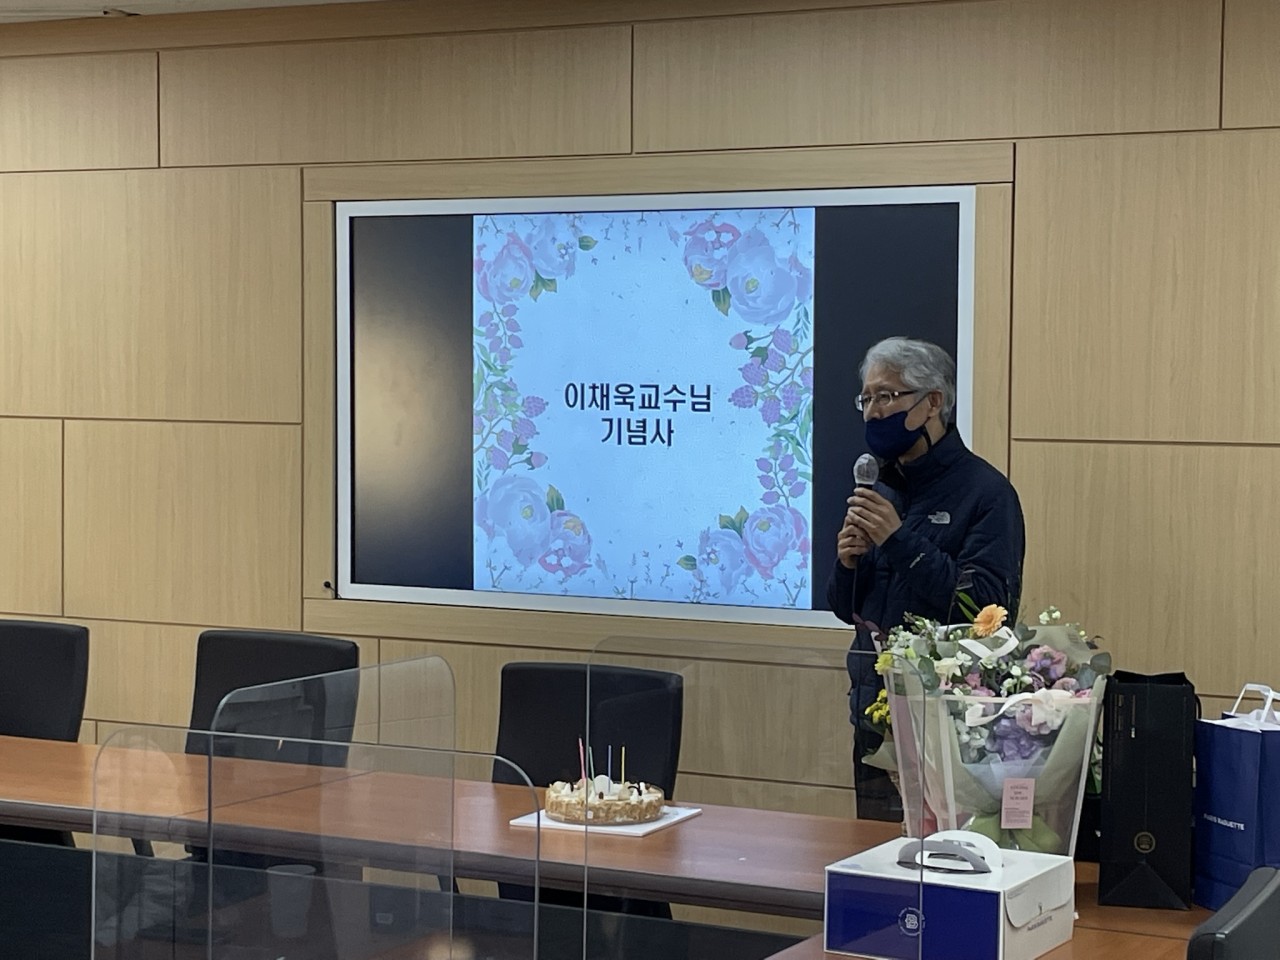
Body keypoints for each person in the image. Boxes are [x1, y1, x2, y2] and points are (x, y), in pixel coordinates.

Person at [827, 336, 1025, 821]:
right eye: (866, 398)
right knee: (873, 853)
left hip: (951, 726)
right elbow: (847, 609)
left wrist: (898, 540)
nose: (873, 411)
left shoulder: (987, 493)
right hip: (875, 718)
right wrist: (848, 563)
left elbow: (985, 613)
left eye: (887, 396)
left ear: (933, 402)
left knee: (943, 854)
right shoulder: (882, 487)